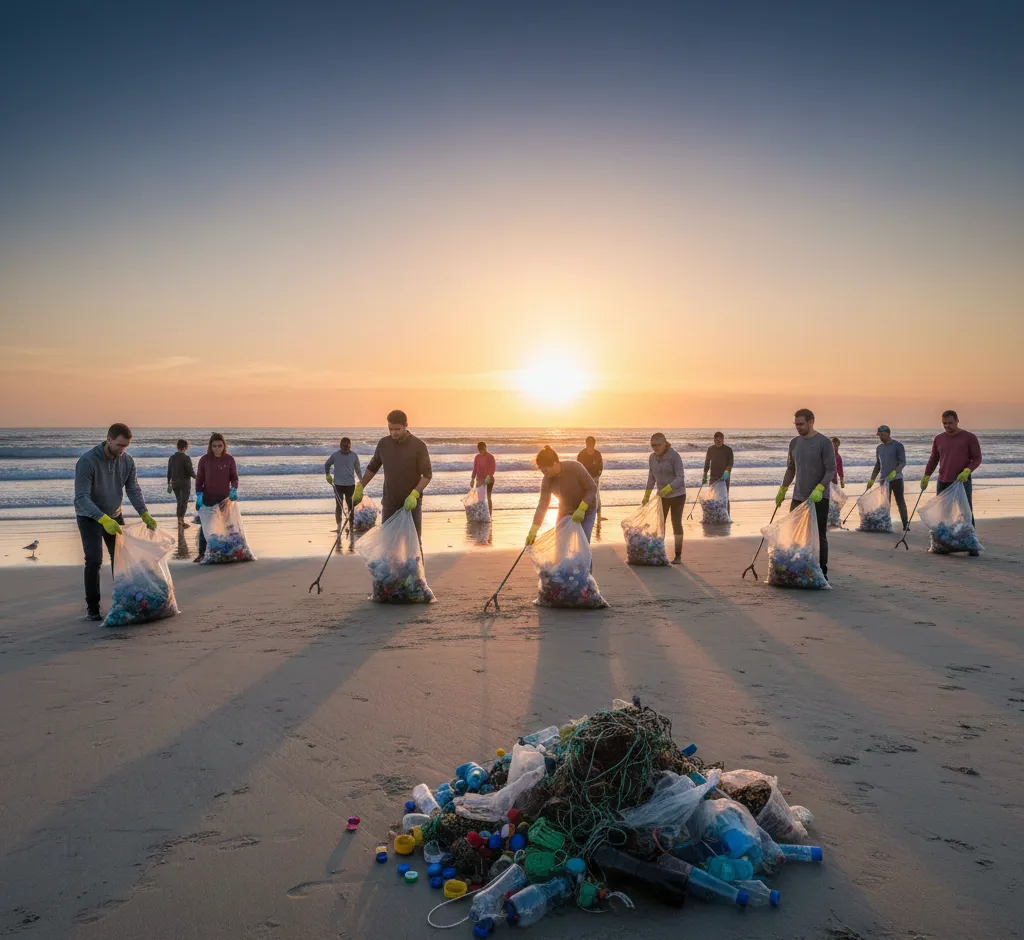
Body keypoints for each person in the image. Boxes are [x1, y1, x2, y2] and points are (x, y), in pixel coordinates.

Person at [74, 422, 157, 621]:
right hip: (90, 517)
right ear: (109, 439)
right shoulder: (87, 461)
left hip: (114, 515)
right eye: (119, 445)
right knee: (94, 560)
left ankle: (123, 598)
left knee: (119, 559)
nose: (122, 450)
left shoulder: (127, 461)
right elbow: (81, 498)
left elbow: (133, 489)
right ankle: (93, 607)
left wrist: (144, 514)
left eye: (126, 446)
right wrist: (102, 518)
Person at [776, 408, 836, 578]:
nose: (798, 428)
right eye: (796, 425)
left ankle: (822, 570)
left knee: (819, 534)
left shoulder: (824, 442)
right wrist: (783, 488)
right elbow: (791, 468)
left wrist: (820, 488)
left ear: (811, 422)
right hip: (798, 496)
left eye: (801, 424)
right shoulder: (794, 443)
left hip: (818, 498)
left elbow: (831, 469)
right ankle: (798, 567)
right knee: (794, 533)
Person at [356, 410, 432, 538]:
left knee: (413, 541)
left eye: (397, 429)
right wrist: (360, 486)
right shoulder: (383, 444)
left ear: (406, 425)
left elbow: (427, 475)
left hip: (411, 503)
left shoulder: (419, 446)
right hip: (389, 501)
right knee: (388, 541)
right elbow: (372, 468)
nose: (393, 433)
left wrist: (415, 493)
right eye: (390, 429)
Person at [922, 410, 982, 533]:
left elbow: (977, 458)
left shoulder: (969, 437)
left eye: (950, 423)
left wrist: (967, 470)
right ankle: (944, 540)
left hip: (961, 481)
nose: (947, 426)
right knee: (943, 512)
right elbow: (934, 459)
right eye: (944, 423)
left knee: (966, 511)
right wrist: (926, 475)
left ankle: (971, 543)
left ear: (957, 421)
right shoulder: (938, 439)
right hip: (943, 481)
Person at [525, 446, 598, 546]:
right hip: (565, 511)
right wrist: (533, 530)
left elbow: (592, 488)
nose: (544, 474)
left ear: (555, 463)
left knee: (583, 543)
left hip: (587, 510)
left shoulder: (575, 467)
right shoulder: (547, 480)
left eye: (545, 470)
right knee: (560, 543)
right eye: (542, 471)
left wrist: (582, 508)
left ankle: (585, 562)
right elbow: (542, 505)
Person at [195, 432, 239, 561]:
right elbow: (199, 479)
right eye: (214, 446)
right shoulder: (204, 459)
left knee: (227, 525)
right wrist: (199, 495)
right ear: (210, 446)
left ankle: (230, 551)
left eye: (220, 446)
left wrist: (234, 489)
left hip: (225, 498)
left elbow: (234, 477)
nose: (217, 449)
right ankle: (202, 554)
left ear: (224, 446)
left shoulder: (229, 459)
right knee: (206, 526)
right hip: (208, 498)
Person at [643, 432, 686, 564]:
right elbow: (651, 477)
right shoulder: (652, 458)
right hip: (662, 496)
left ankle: (678, 555)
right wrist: (647, 495)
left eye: (658, 445)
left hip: (677, 495)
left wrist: (667, 488)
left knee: (676, 523)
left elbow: (680, 477)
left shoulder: (674, 456)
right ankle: (659, 552)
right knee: (660, 524)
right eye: (652, 445)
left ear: (665, 443)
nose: (655, 448)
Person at [867, 425, 908, 530]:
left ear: (888, 433)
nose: (881, 437)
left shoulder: (898, 446)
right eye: (879, 435)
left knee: (900, 501)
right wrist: (872, 479)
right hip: (884, 480)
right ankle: (886, 524)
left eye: (882, 435)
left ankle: (905, 524)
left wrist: (896, 472)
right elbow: (878, 465)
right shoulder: (879, 448)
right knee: (885, 503)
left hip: (896, 479)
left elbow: (903, 462)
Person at [324, 437, 362, 527]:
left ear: (350, 445)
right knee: (339, 506)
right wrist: (327, 474)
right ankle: (339, 526)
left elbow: (358, 469)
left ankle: (351, 525)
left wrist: (362, 481)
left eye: (347, 446)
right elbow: (327, 464)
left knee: (350, 506)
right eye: (343, 446)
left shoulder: (354, 456)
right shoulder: (335, 455)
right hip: (338, 485)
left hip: (350, 485)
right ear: (340, 445)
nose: (345, 448)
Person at [166, 438, 196, 528]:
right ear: (186, 447)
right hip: (184, 483)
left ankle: (180, 522)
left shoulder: (171, 458)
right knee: (184, 502)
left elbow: (169, 472)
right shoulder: (186, 458)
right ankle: (181, 522)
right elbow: (190, 471)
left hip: (174, 483)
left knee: (179, 502)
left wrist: (169, 483)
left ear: (177, 446)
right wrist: (198, 478)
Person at [577, 436, 605, 518]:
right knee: (584, 496)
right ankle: (584, 514)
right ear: (586, 444)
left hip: (595, 478)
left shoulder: (597, 454)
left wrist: (598, 475)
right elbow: (578, 466)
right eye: (588, 443)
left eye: (591, 444)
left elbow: (601, 466)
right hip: (584, 479)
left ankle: (599, 516)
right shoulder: (581, 454)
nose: (590, 445)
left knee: (596, 496)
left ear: (594, 444)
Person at [469, 441, 496, 515]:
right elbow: (475, 468)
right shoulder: (477, 457)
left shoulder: (490, 456)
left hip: (489, 480)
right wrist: (472, 479)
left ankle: (489, 515)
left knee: (488, 497)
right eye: (479, 450)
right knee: (480, 498)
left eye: (482, 449)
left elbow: (493, 468)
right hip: (479, 480)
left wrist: (489, 476)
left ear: (485, 448)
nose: (481, 451)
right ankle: (482, 514)